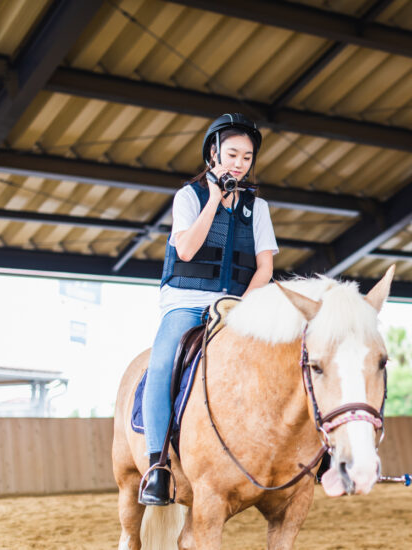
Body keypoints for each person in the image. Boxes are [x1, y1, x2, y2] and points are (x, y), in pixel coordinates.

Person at [139, 113, 278, 506]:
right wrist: (215, 199)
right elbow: (185, 249)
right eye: (232, 154)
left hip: (235, 304)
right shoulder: (188, 197)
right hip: (186, 303)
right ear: (213, 153)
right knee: (162, 366)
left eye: (247, 158)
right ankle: (157, 466)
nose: (239, 163)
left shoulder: (258, 208)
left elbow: (265, 267)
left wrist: (241, 308)